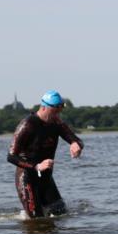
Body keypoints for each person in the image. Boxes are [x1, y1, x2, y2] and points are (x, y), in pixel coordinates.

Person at [7, 90, 84, 218]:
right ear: (43, 107)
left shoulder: (57, 123)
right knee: (36, 219)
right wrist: (37, 166)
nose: (57, 115)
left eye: (59, 111)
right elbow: (11, 156)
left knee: (61, 214)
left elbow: (76, 140)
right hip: (27, 177)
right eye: (54, 111)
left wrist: (76, 144)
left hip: (46, 177)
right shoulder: (27, 124)